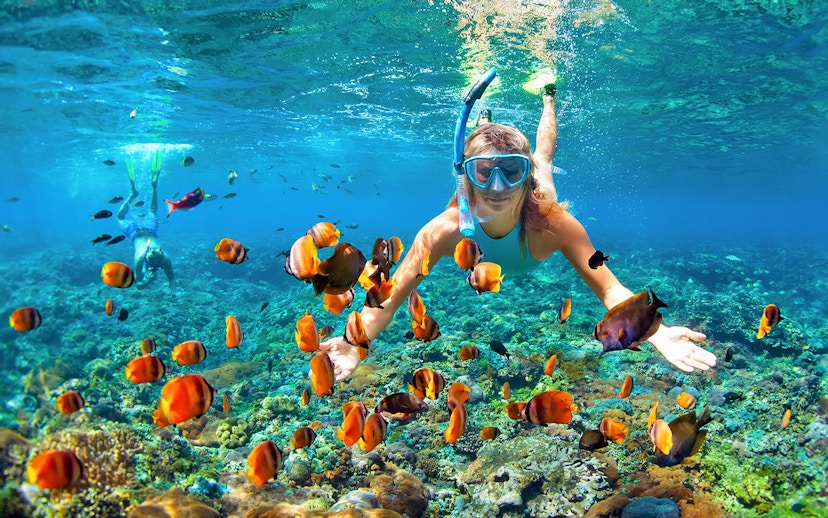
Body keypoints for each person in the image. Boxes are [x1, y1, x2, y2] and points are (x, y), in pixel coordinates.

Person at [320, 81, 716, 380]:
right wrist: (357, 341)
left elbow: (610, 288)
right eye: (483, 172)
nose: (497, 188)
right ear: (467, 178)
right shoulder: (444, 230)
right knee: (490, 145)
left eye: (512, 171)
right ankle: (484, 123)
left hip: (538, 198)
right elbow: (391, 295)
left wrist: (654, 330)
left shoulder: (554, 223)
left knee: (543, 155)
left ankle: (547, 97)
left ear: (526, 179)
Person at [116, 150, 175, 293]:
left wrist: (149, 278)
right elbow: (139, 282)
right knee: (121, 218)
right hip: (136, 233)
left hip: (149, 230)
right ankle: (135, 194)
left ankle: (148, 189)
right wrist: (147, 281)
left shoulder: (158, 257)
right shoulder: (147, 257)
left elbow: (142, 278)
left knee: (151, 211)